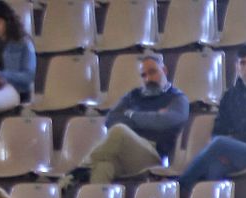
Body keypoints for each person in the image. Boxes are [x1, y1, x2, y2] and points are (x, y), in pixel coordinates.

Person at [177, 42, 246, 192]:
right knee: (215, 167)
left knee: (220, 143)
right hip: (233, 150)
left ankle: (180, 187)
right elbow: (219, 127)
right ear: (237, 67)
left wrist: (231, 142)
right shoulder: (230, 95)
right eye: (243, 63)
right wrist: (228, 148)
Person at [71, 52, 190, 185]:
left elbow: (166, 121)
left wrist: (131, 114)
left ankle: (81, 169)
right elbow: (111, 119)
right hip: (126, 152)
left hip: (153, 155)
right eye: (144, 75)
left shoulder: (177, 98)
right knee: (103, 167)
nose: (148, 79)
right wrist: (153, 118)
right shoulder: (134, 95)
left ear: (164, 70)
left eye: (152, 72)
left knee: (119, 130)